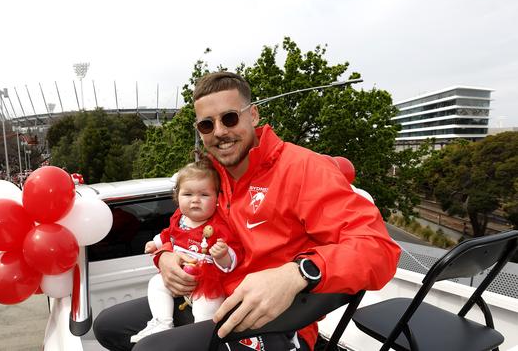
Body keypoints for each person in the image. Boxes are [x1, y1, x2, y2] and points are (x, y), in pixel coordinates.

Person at [93, 72, 401, 351]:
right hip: (211, 293)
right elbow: (183, 226)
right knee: (108, 326)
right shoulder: (211, 176)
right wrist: (167, 256)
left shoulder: (303, 169)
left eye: (229, 118)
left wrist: (297, 273)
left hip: (275, 320)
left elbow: (378, 250)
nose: (219, 132)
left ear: (252, 115)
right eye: (206, 124)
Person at [129, 160, 243, 343]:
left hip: (207, 284)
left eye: (204, 194)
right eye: (188, 194)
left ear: (217, 198)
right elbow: (169, 234)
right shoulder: (179, 218)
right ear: (177, 197)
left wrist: (223, 255)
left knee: (207, 309)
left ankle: (200, 339)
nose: (195, 200)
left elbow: (233, 259)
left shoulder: (219, 226)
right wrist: (156, 243)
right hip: (180, 276)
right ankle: (162, 322)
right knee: (156, 283)